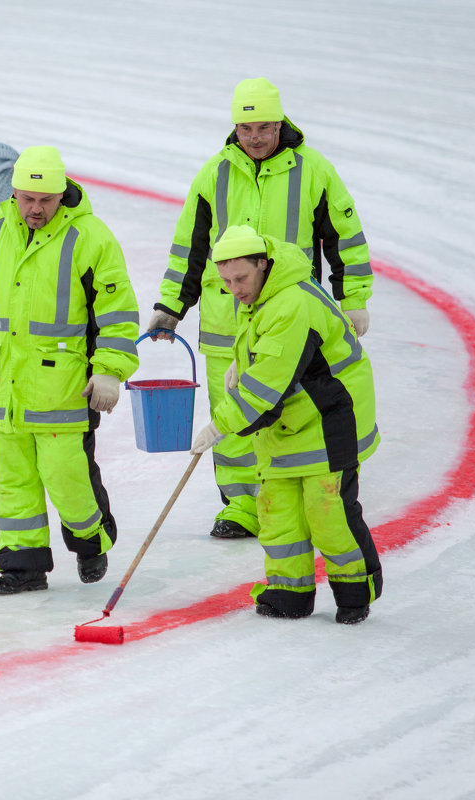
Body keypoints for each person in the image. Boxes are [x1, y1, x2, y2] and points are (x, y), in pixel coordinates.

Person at [147, 77, 375, 540]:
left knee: (291, 410)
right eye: (246, 127)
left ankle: (292, 498)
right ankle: (241, 507)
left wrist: (352, 300)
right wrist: (171, 305)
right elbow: (189, 248)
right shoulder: (214, 173)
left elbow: (343, 238)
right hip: (223, 322)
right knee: (231, 412)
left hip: (291, 321)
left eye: (265, 127)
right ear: (235, 126)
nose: (255, 137)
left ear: (280, 122)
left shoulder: (313, 169)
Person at [0, 146, 141, 595]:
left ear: (62, 195)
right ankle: (22, 566)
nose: (36, 209)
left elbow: (116, 312)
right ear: (14, 193)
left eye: (46, 200)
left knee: (67, 477)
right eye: (27, 199)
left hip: (64, 390)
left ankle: (90, 543)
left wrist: (109, 370)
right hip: (2, 387)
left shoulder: (90, 238)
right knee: (13, 481)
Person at [190, 225, 382, 624]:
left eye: (240, 278)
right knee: (278, 510)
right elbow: (268, 351)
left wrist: (218, 427)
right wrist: (241, 361)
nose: (235, 289)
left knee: (327, 511)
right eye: (225, 281)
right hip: (290, 420)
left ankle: (354, 592)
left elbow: (265, 389)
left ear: (263, 264)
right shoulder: (265, 290)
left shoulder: (290, 301)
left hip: (330, 419)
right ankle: (287, 593)